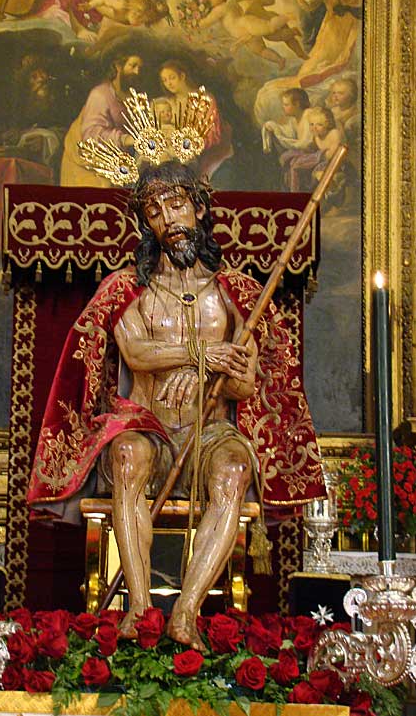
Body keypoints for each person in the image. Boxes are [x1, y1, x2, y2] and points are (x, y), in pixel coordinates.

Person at [28, 160, 325, 650]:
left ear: (199, 208)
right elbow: (137, 353)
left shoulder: (237, 294)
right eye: (155, 211)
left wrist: (208, 374)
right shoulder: (127, 289)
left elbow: (244, 383)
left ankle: (186, 612)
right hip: (147, 426)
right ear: (146, 223)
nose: (169, 219)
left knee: (235, 469)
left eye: (177, 205)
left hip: (209, 433)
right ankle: (139, 608)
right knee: (126, 457)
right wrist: (203, 354)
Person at [60, 53, 144, 186]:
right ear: (118, 66)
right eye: (133, 66)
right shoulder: (100, 94)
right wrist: (125, 139)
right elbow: (91, 135)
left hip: (116, 159)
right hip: (87, 163)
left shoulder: (132, 96)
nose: (137, 72)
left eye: (140, 68)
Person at [159, 60, 233, 180]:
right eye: (165, 80)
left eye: (172, 78)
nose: (169, 83)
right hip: (175, 152)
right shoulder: (168, 103)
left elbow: (211, 134)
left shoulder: (204, 99)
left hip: (205, 153)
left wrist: (189, 146)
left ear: (182, 76)